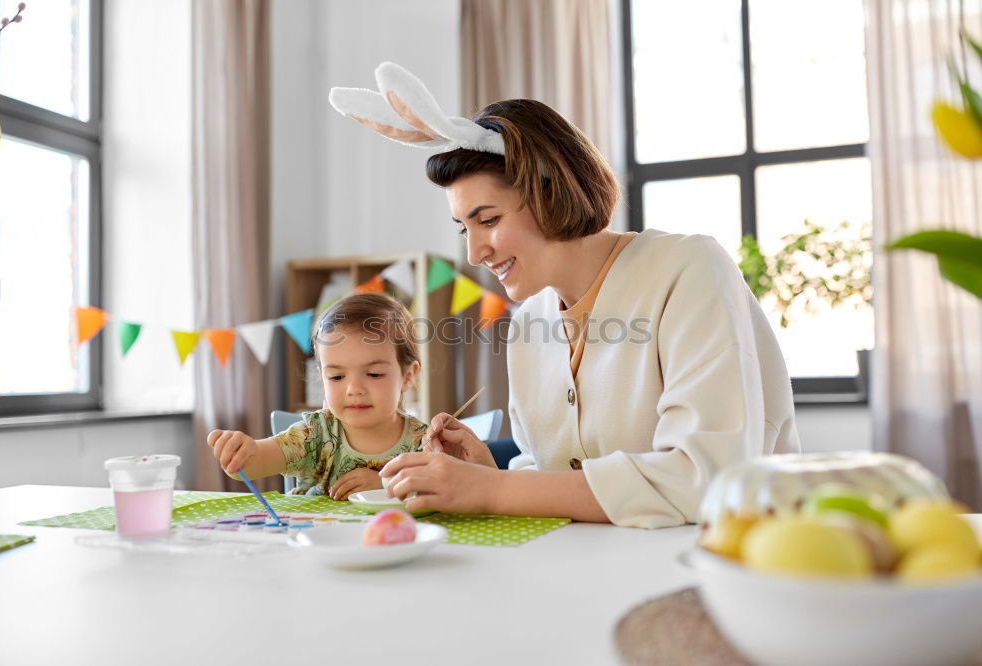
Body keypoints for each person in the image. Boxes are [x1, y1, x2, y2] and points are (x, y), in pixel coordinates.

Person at [330, 63, 801, 528]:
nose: (474, 252)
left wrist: (490, 491)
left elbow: (707, 480)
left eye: (488, 220)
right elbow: (551, 481)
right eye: (464, 228)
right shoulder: (529, 322)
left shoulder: (689, 270)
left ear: (549, 192)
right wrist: (483, 472)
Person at [207, 293, 428, 501]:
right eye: (336, 376)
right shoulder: (314, 434)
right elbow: (256, 462)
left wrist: (385, 485)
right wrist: (243, 452)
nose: (353, 389)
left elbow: (439, 494)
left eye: (373, 374)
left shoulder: (424, 443)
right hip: (313, 539)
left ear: (408, 376)